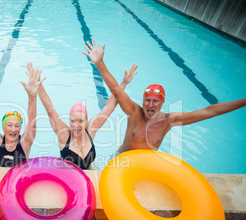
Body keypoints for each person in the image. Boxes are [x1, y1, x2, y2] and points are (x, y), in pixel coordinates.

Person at [83, 40, 246, 157]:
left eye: (155, 101)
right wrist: (100, 64)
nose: (150, 104)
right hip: (121, 161)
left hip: (148, 166)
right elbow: (117, 91)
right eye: (147, 100)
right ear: (142, 100)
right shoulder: (134, 112)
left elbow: (210, 111)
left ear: (162, 103)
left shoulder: (169, 120)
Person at [37, 64, 138, 169]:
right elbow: (50, 109)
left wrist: (124, 83)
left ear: (86, 121)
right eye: (73, 121)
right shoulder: (63, 134)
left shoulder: (90, 129)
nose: (76, 125)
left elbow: (108, 107)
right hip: (67, 173)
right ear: (69, 121)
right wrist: (39, 85)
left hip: (90, 168)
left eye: (81, 121)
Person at [0, 63, 45, 167]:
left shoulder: (25, 143)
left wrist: (32, 96)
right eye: (9, 125)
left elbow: (32, 122)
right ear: (3, 127)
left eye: (17, 125)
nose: (13, 129)